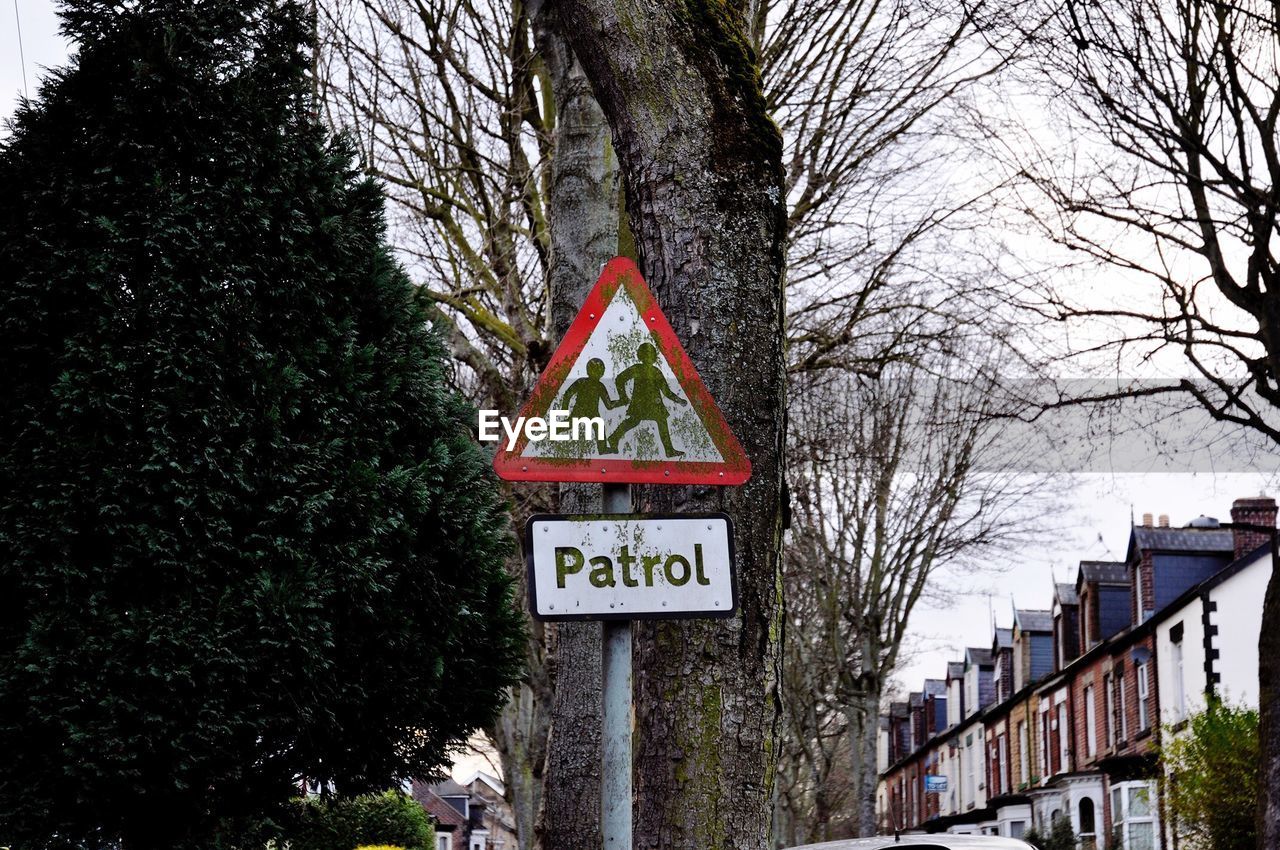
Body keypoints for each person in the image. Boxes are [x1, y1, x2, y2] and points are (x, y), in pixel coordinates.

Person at [606, 342, 687, 458]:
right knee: (637, 420)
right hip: (641, 403)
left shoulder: (655, 371)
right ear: (640, 356)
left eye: (651, 354)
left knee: (650, 421)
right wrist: (623, 396)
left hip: (654, 403)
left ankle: (614, 437)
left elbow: (666, 391)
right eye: (645, 354)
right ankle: (614, 437)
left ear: (654, 357)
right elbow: (619, 379)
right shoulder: (637, 368)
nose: (648, 357)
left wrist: (679, 400)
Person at [560, 357, 621, 453]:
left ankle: (602, 449)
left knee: (598, 426)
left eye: (600, 370)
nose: (598, 373)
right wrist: (564, 410)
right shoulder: (583, 382)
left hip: (592, 412)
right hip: (581, 410)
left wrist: (620, 402)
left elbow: (608, 405)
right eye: (596, 370)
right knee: (569, 425)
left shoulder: (598, 386)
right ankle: (548, 431)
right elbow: (568, 394)